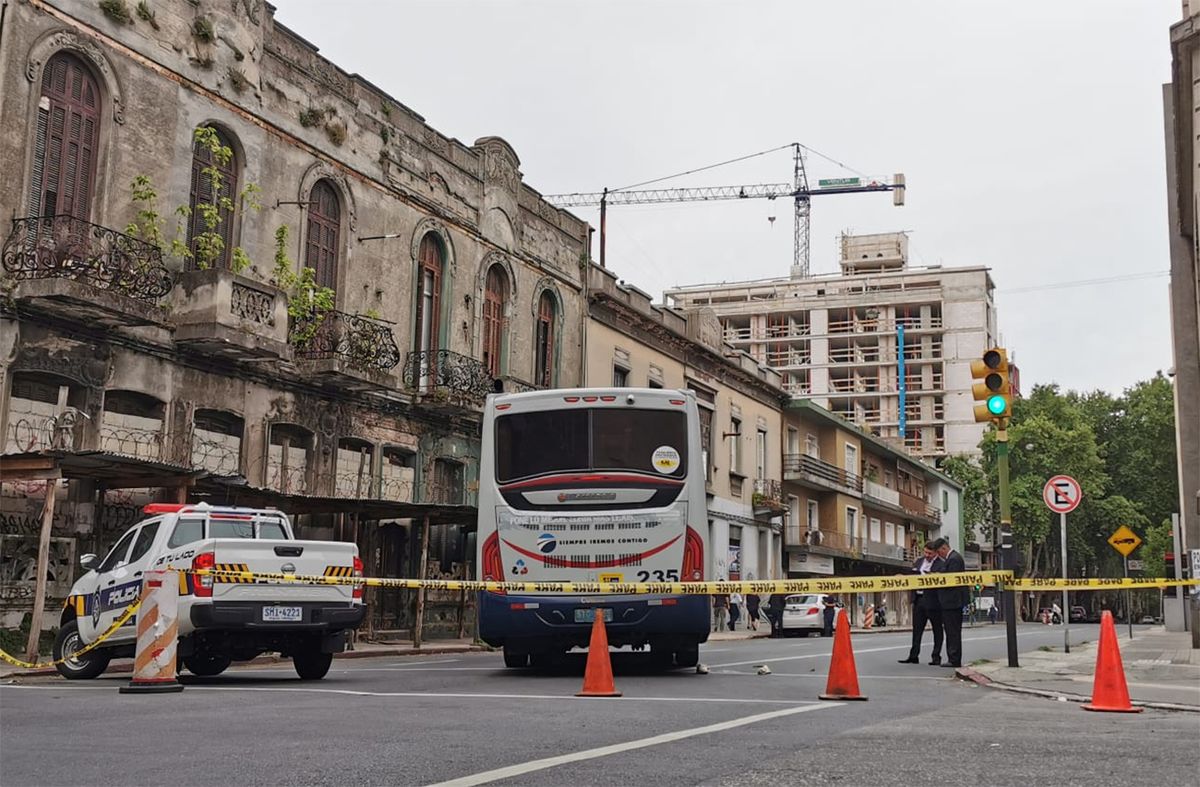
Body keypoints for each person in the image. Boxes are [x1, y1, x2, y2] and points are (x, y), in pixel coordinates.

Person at [898, 541, 945, 665]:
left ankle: (936, 656)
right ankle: (914, 655)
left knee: (937, 630)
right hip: (918, 599)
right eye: (925, 552)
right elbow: (912, 574)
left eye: (930, 553)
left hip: (933, 601)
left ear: (935, 552)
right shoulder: (919, 561)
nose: (927, 555)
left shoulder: (942, 564)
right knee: (917, 629)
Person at [933, 537, 968, 668]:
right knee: (951, 630)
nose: (939, 555)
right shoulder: (952, 559)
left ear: (944, 548)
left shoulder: (954, 559)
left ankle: (954, 658)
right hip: (950, 602)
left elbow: (951, 581)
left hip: (952, 602)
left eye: (939, 552)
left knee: (952, 631)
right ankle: (953, 657)